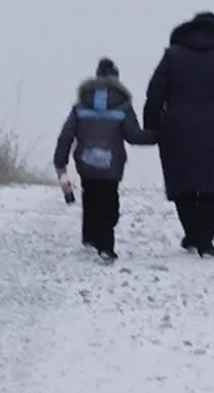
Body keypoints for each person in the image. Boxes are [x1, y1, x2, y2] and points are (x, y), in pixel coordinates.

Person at [142, 12, 214, 257]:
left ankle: (193, 234)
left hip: (177, 127)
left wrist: (152, 126)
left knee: (183, 182)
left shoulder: (172, 56)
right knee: (213, 184)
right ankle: (205, 238)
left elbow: (155, 93)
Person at [53, 58, 157, 261]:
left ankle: (89, 237)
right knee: (108, 202)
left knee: (90, 196)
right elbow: (134, 136)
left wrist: (60, 160)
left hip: (86, 161)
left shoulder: (81, 104)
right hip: (111, 163)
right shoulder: (123, 105)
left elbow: (67, 135)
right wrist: (159, 135)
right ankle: (106, 247)